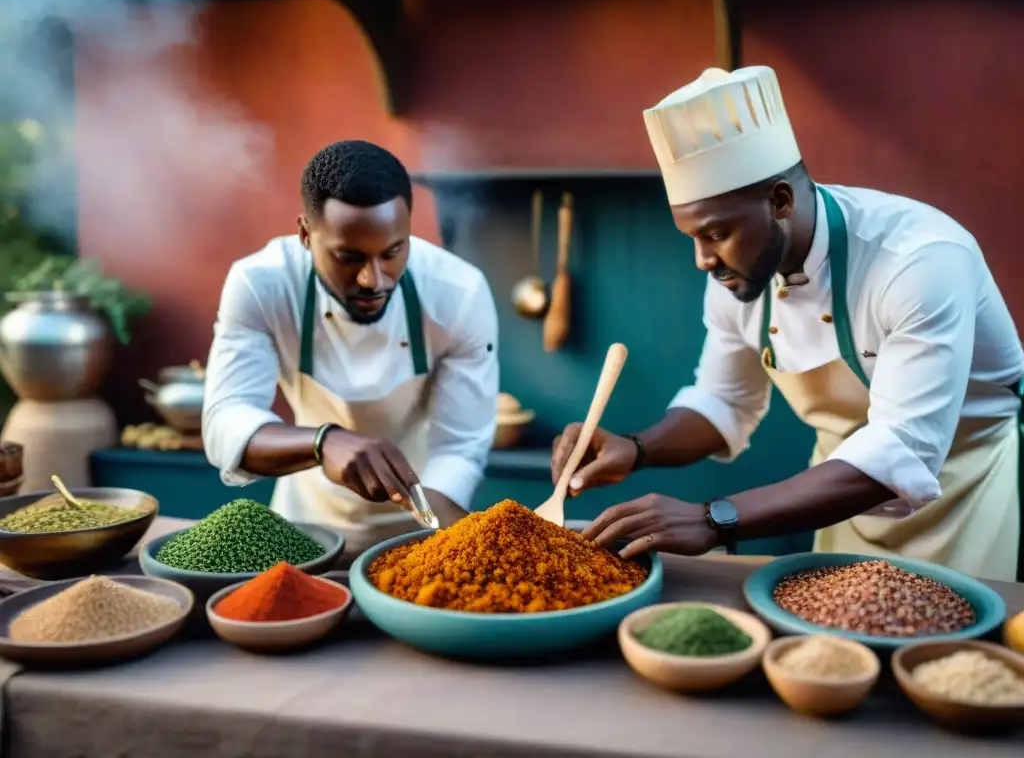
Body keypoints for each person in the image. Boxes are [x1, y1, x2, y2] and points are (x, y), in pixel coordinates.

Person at [552, 66, 1024, 582]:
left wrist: (714, 519)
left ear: (780, 200)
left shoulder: (920, 260)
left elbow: (903, 450)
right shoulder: (737, 275)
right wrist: (636, 448)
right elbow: (725, 402)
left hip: (967, 486)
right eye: (692, 237)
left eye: (714, 233)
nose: (702, 260)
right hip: (836, 491)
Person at [202, 140, 499, 558]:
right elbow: (225, 422)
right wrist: (323, 442)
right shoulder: (262, 283)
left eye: (393, 252)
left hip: (420, 535)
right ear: (306, 234)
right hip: (302, 534)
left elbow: (461, 444)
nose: (373, 279)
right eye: (348, 257)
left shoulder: (458, 293)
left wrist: (431, 533)